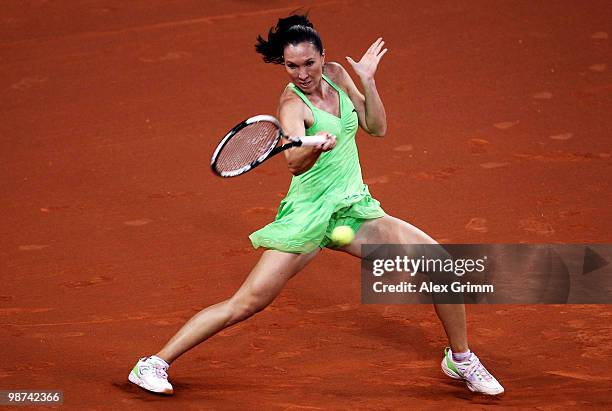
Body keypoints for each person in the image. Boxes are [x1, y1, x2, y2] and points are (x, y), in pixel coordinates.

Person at [128, 14, 504, 396]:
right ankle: (153, 363)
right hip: (308, 218)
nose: (302, 73)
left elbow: (377, 127)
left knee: (439, 265)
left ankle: (460, 360)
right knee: (247, 303)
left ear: (323, 56)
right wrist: (310, 146)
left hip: (353, 210)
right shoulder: (292, 104)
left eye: (309, 63)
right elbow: (293, 162)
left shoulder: (338, 75)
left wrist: (368, 82)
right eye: (292, 66)